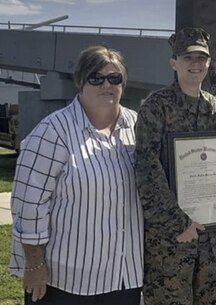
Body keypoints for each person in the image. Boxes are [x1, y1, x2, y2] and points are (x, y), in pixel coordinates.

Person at [9, 45, 143, 305]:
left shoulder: (139, 127)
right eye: (97, 78)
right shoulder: (53, 132)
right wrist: (35, 266)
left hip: (125, 276)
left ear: (123, 84)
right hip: (67, 282)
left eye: (114, 78)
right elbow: (28, 204)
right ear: (81, 82)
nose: (107, 84)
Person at [135, 27, 216, 305]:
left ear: (210, 62)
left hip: (211, 239)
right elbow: (146, 168)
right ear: (173, 62)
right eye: (188, 58)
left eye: (202, 58)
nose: (195, 64)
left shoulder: (214, 107)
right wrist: (179, 223)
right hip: (171, 239)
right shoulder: (156, 107)